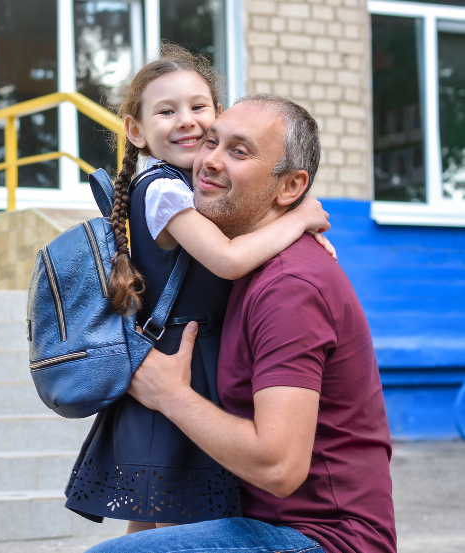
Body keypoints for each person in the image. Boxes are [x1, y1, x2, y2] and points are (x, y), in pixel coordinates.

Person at [85, 94, 396, 553]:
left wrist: (171, 396)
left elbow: (278, 468)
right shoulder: (235, 270)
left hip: (324, 540)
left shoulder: (290, 285)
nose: (208, 161)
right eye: (211, 142)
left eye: (238, 151)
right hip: (250, 521)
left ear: (290, 188)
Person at [64, 45, 335, 533]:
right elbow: (229, 261)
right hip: (184, 363)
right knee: (177, 513)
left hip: (184, 359)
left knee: (156, 512)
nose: (186, 120)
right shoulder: (164, 190)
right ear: (136, 131)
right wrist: (300, 220)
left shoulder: (191, 188)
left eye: (198, 107)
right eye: (166, 111)